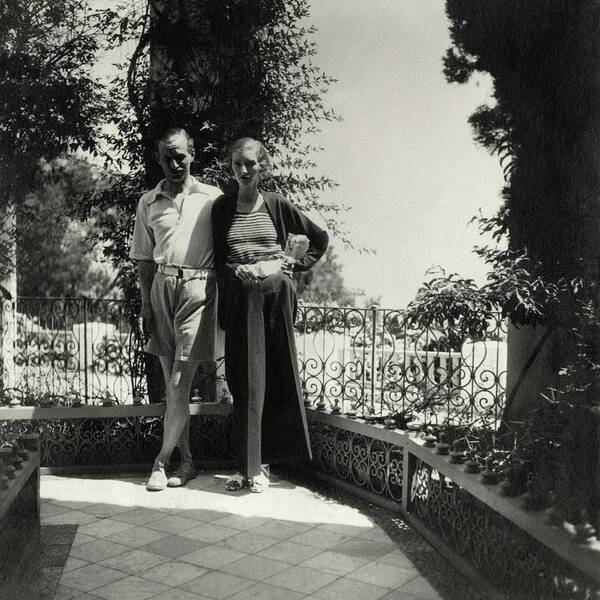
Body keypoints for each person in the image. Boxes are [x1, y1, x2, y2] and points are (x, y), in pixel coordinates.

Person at [212, 137, 328, 492]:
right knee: (244, 380)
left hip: (275, 297)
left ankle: (262, 466)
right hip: (242, 300)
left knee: (275, 376)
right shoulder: (222, 208)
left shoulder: (276, 203)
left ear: (263, 166)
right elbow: (221, 262)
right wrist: (236, 272)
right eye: (237, 164)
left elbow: (318, 238)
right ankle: (243, 467)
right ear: (230, 168)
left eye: (250, 164)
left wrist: (294, 264)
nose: (244, 170)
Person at [129, 127, 222, 491]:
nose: (174, 162)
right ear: (158, 158)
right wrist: (145, 305)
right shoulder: (148, 201)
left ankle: (160, 461)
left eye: (180, 155)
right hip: (160, 288)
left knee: (181, 382)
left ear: (192, 153)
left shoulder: (213, 198)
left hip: (199, 287)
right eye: (167, 156)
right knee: (173, 386)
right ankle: (186, 462)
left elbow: (232, 245)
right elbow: (142, 261)